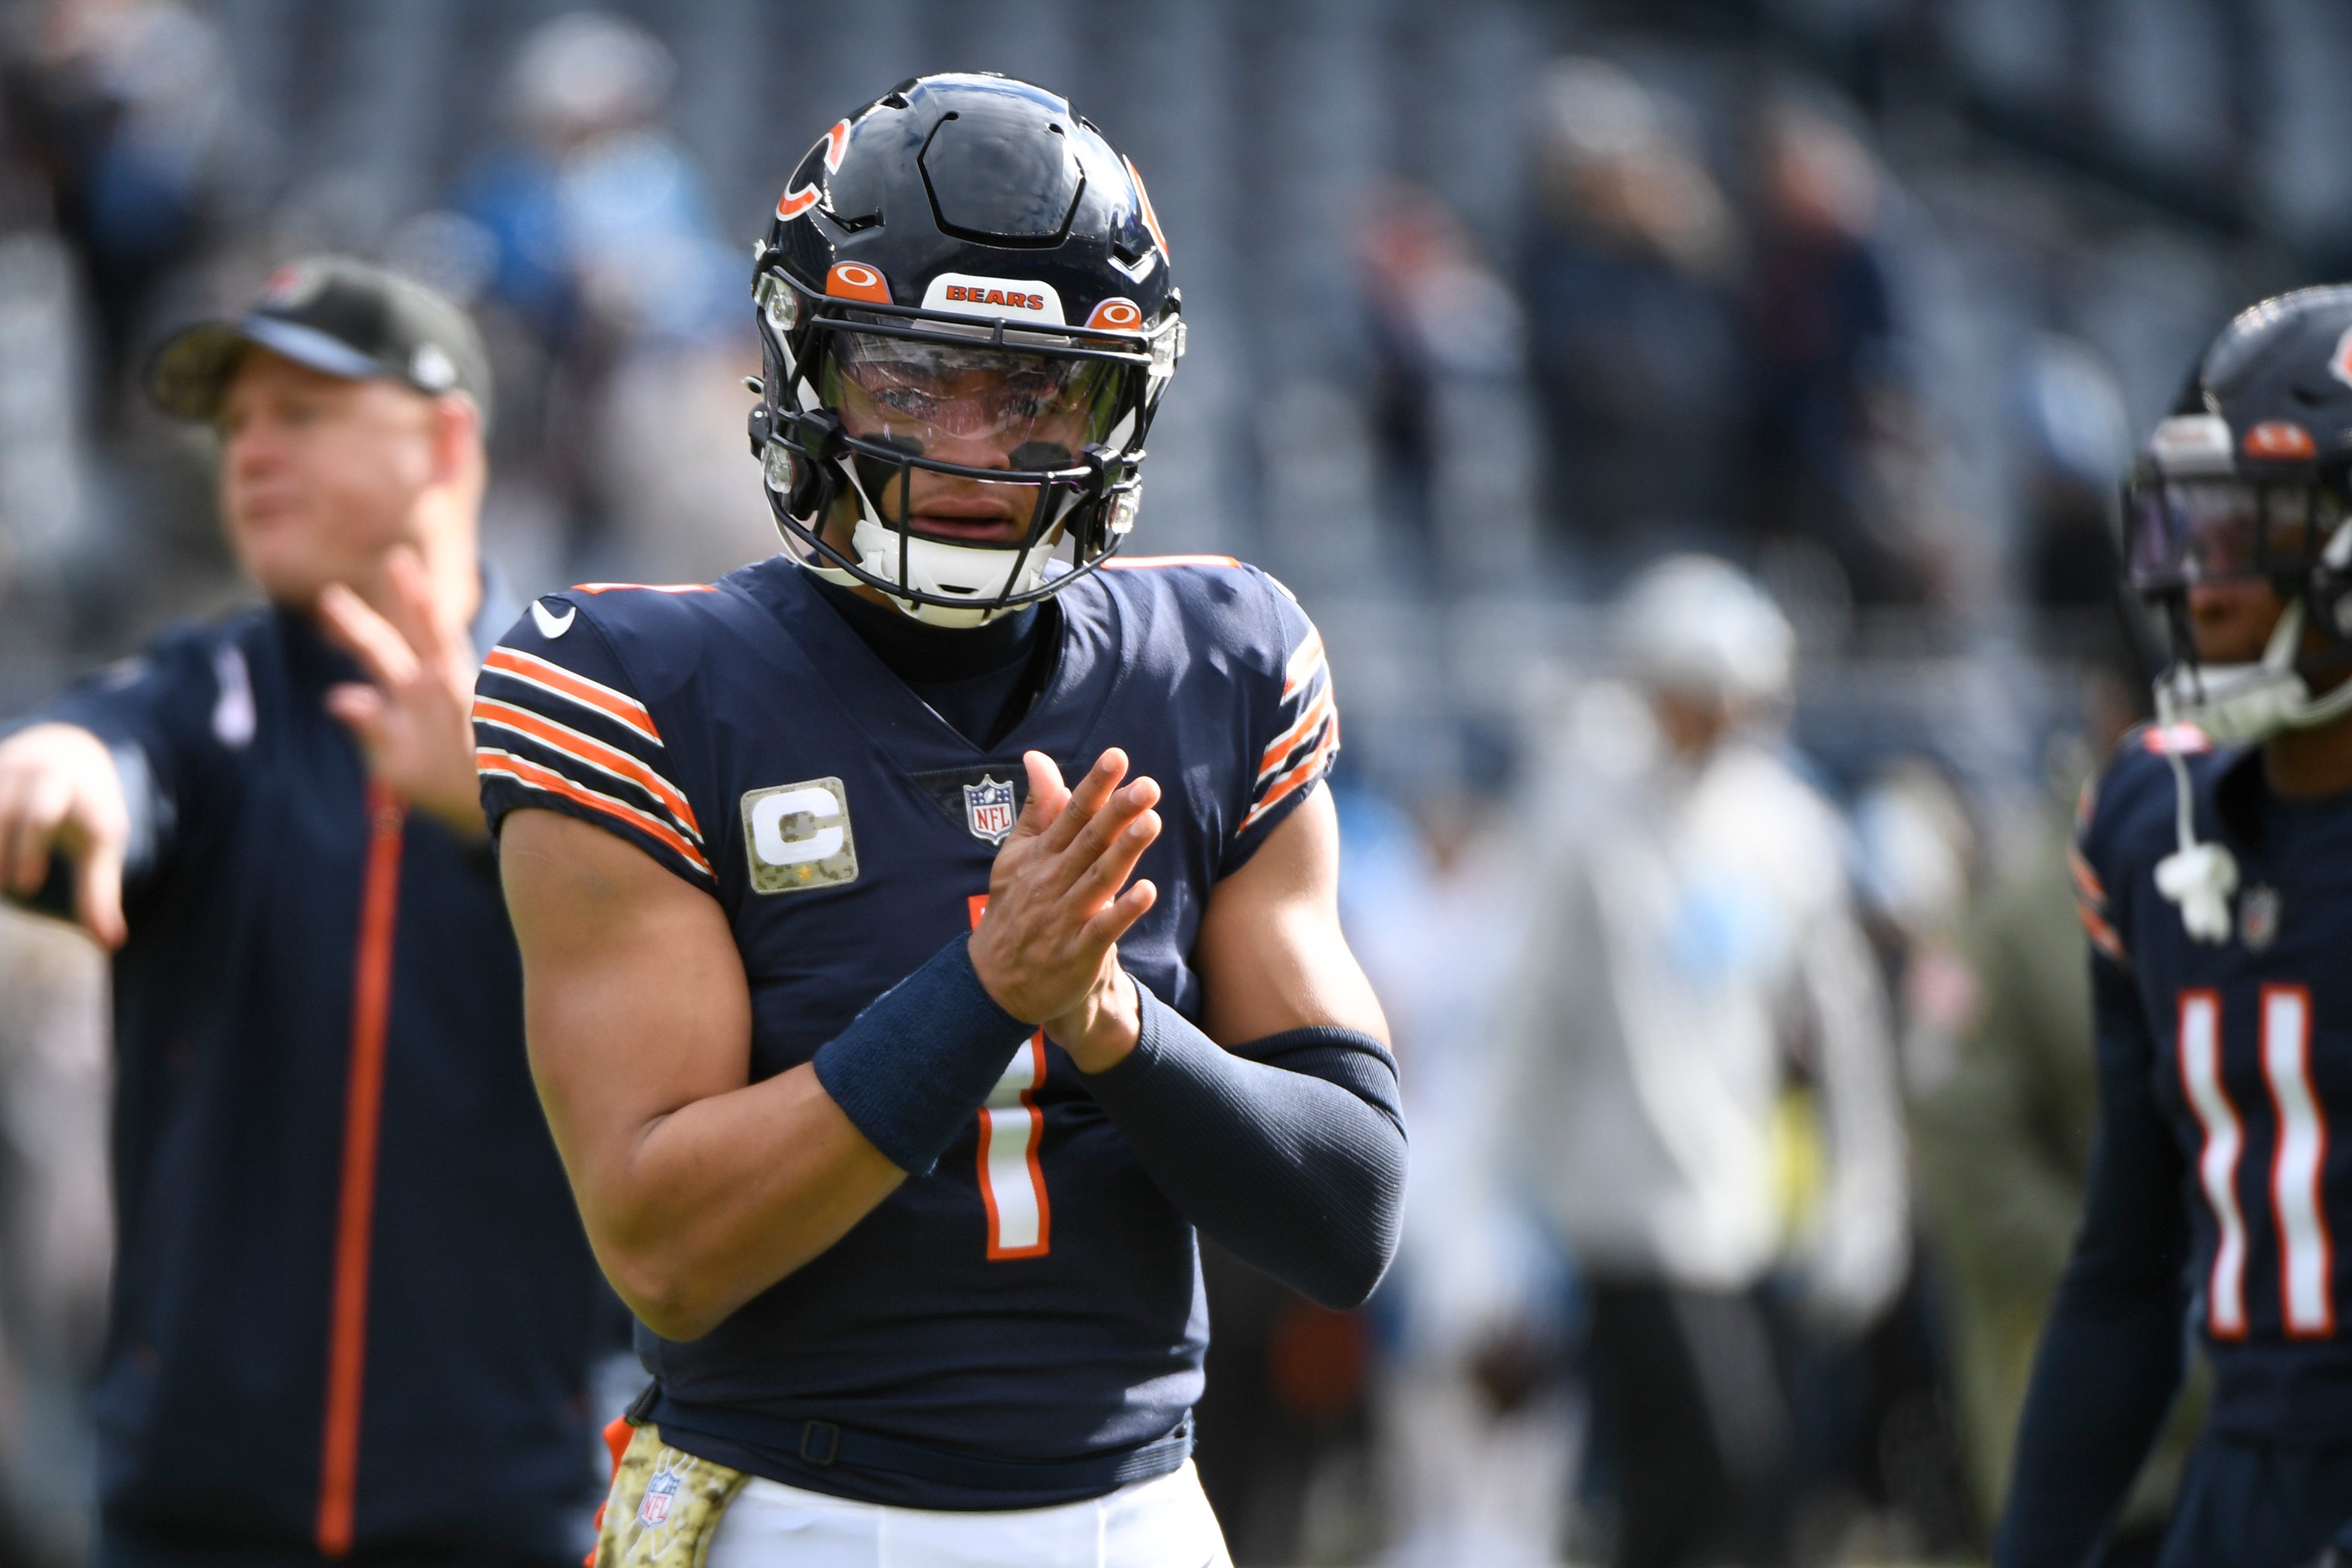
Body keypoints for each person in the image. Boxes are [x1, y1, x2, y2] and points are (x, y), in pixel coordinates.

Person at [478, 74, 1405, 1568]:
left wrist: (1108, 1024)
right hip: (793, 1513)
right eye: (907, 379)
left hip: (1135, 1516)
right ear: (803, 368)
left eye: (1039, 388)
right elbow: (665, 1251)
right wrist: (983, 993)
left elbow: (1346, 1214)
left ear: (1125, 397)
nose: (975, 448)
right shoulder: (633, 685)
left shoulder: (1223, 661)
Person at [0, 258, 603, 1566]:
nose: (250, 455)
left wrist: (495, 816)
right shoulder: (205, 692)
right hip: (191, 1516)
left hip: (518, 1515)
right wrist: (54, 775)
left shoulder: (591, 717)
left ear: (447, 438)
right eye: (237, 426)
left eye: (303, 414)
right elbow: (98, 753)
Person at [1996, 287, 2352, 1568]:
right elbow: (2122, 1273)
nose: (2201, 579)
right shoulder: (2154, 817)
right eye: (2189, 524)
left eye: (2250, 529)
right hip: (2245, 1499)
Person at [1498, 554, 1907, 1568]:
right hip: (1630, 1225)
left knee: (1717, 1499)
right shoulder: (1585, 827)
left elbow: (1844, 1039)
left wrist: (1865, 1202)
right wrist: (1503, 1219)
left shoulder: (1785, 831)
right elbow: (1531, 1028)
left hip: (1752, 1220)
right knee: (1721, 1471)